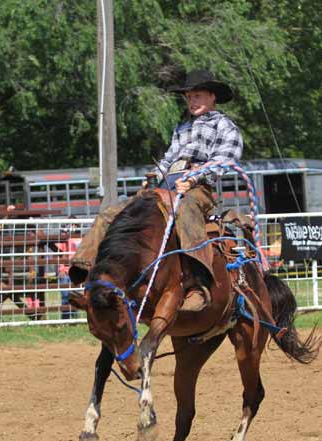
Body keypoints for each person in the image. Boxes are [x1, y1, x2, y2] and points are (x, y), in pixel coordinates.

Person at [69, 69, 243, 311]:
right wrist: (153, 177)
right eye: (189, 97)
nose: (192, 101)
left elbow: (224, 160)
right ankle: (88, 274)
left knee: (187, 214)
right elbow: (169, 159)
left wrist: (194, 178)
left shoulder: (225, 127)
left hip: (197, 189)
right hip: (166, 186)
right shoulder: (182, 128)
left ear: (212, 97)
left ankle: (198, 284)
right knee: (113, 213)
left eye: (198, 96)